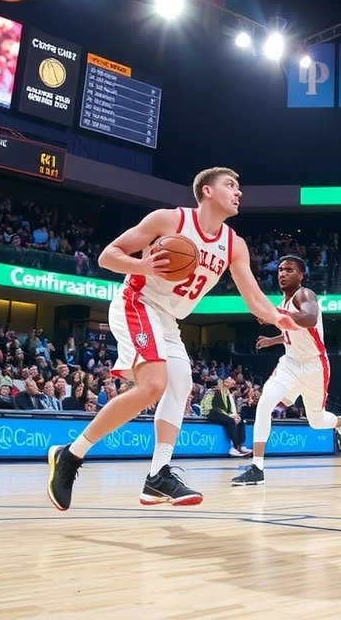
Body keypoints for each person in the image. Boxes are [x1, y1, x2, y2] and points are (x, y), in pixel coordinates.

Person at [47, 167, 296, 511]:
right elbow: (108, 256)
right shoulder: (170, 220)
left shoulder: (234, 244)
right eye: (230, 185)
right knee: (153, 385)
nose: (238, 192)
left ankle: (157, 475)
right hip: (138, 301)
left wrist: (278, 317)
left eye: (239, 187)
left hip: (168, 318)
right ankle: (70, 457)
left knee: (181, 384)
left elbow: (253, 298)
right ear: (207, 191)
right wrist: (144, 267)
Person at [232, 256, 341, 486]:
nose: (282, 273)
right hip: (289, 362)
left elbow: (308, 319)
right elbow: (294, 331)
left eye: (289, 269)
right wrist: (273, 340)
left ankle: (340, 422)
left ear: (301, 275)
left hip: (314, 366)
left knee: (316, 422)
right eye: (280, 269)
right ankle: (257, 467)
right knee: (265, 403)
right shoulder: (284, 302)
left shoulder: (305, 295)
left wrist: (275, 314)